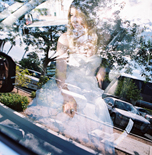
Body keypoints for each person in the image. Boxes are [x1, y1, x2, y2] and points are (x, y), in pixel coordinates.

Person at [24, 1, 114, 154]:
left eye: (78, 16)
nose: (73, 20)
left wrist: (101, 71)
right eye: (71, 15)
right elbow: (60, 73)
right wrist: (67, 98)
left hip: (91, 93)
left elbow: (105, 61)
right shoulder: (65, 39)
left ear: (89, 17)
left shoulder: (102, 39)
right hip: (66, 88)